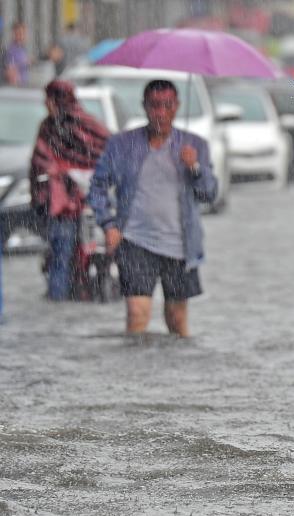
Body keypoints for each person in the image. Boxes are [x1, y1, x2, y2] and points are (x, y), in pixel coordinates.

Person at [88, 79, 216, 336]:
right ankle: (135, 372)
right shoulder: (123, 145)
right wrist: (109, 225)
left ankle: (176, 373)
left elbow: (210, 194)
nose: (161, 112)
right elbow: (98, 186)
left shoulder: (194, 145)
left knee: (177, 320)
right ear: (144, 107)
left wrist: (194, 167)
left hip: (180, 247)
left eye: (167, 106)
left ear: (177, 107)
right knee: (137, 314)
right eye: (155, 105)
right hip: (135, 242)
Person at [29, 80, 110, 301]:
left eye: (49, 98)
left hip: (86, 205)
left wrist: (70, 171)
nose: (45, 103)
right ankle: (62, 298)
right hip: (63, 205)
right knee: (61, 256)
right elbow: (40, 162)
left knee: (73, 257)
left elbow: (109, 154)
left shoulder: (84, 125)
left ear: (57, 100)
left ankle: (70, 296)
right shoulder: (50, 127)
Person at [3, 21, 30, 86]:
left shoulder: (22, 49)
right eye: (19, 33)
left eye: (24, 33)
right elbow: (10, 70)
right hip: (16, 87)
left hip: (22, 85)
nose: (22, 36)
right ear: (14, 34)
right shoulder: (11, 50)